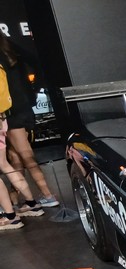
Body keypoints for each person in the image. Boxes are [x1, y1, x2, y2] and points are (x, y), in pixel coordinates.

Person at [0, 35, 57, 213]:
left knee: (25, 155)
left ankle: (47, 195)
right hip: (24, 107)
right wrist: (35, 88)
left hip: (11, 112)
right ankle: (21, 200)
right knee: (15, 157)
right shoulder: (10, 47)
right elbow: (36, 61)